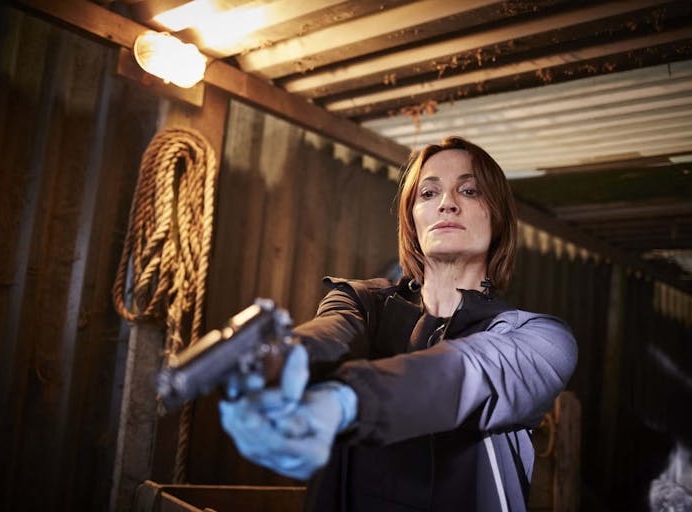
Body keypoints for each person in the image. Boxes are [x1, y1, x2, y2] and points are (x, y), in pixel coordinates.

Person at [218, 136, 578, 511]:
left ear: (498, 215)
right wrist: (282, 359)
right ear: (411, 219)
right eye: (428, 193)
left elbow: (466, 372)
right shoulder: (362, 301)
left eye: (469, 190)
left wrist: (343, 401)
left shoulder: (539, 338)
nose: (447, 203)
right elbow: (330, 333)